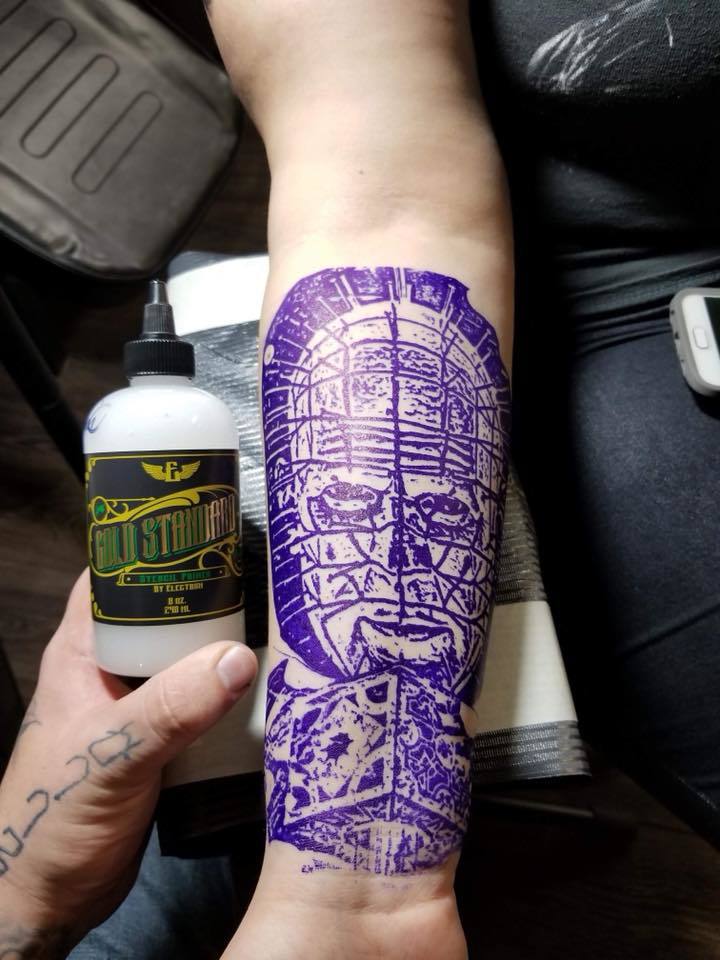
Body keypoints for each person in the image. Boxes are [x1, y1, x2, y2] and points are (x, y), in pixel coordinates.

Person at [1, 0, 718, 957]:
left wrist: (24, 902)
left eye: (426, 513)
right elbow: (379, 190)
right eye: (355, 510)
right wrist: (357, 896)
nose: (393, 553)